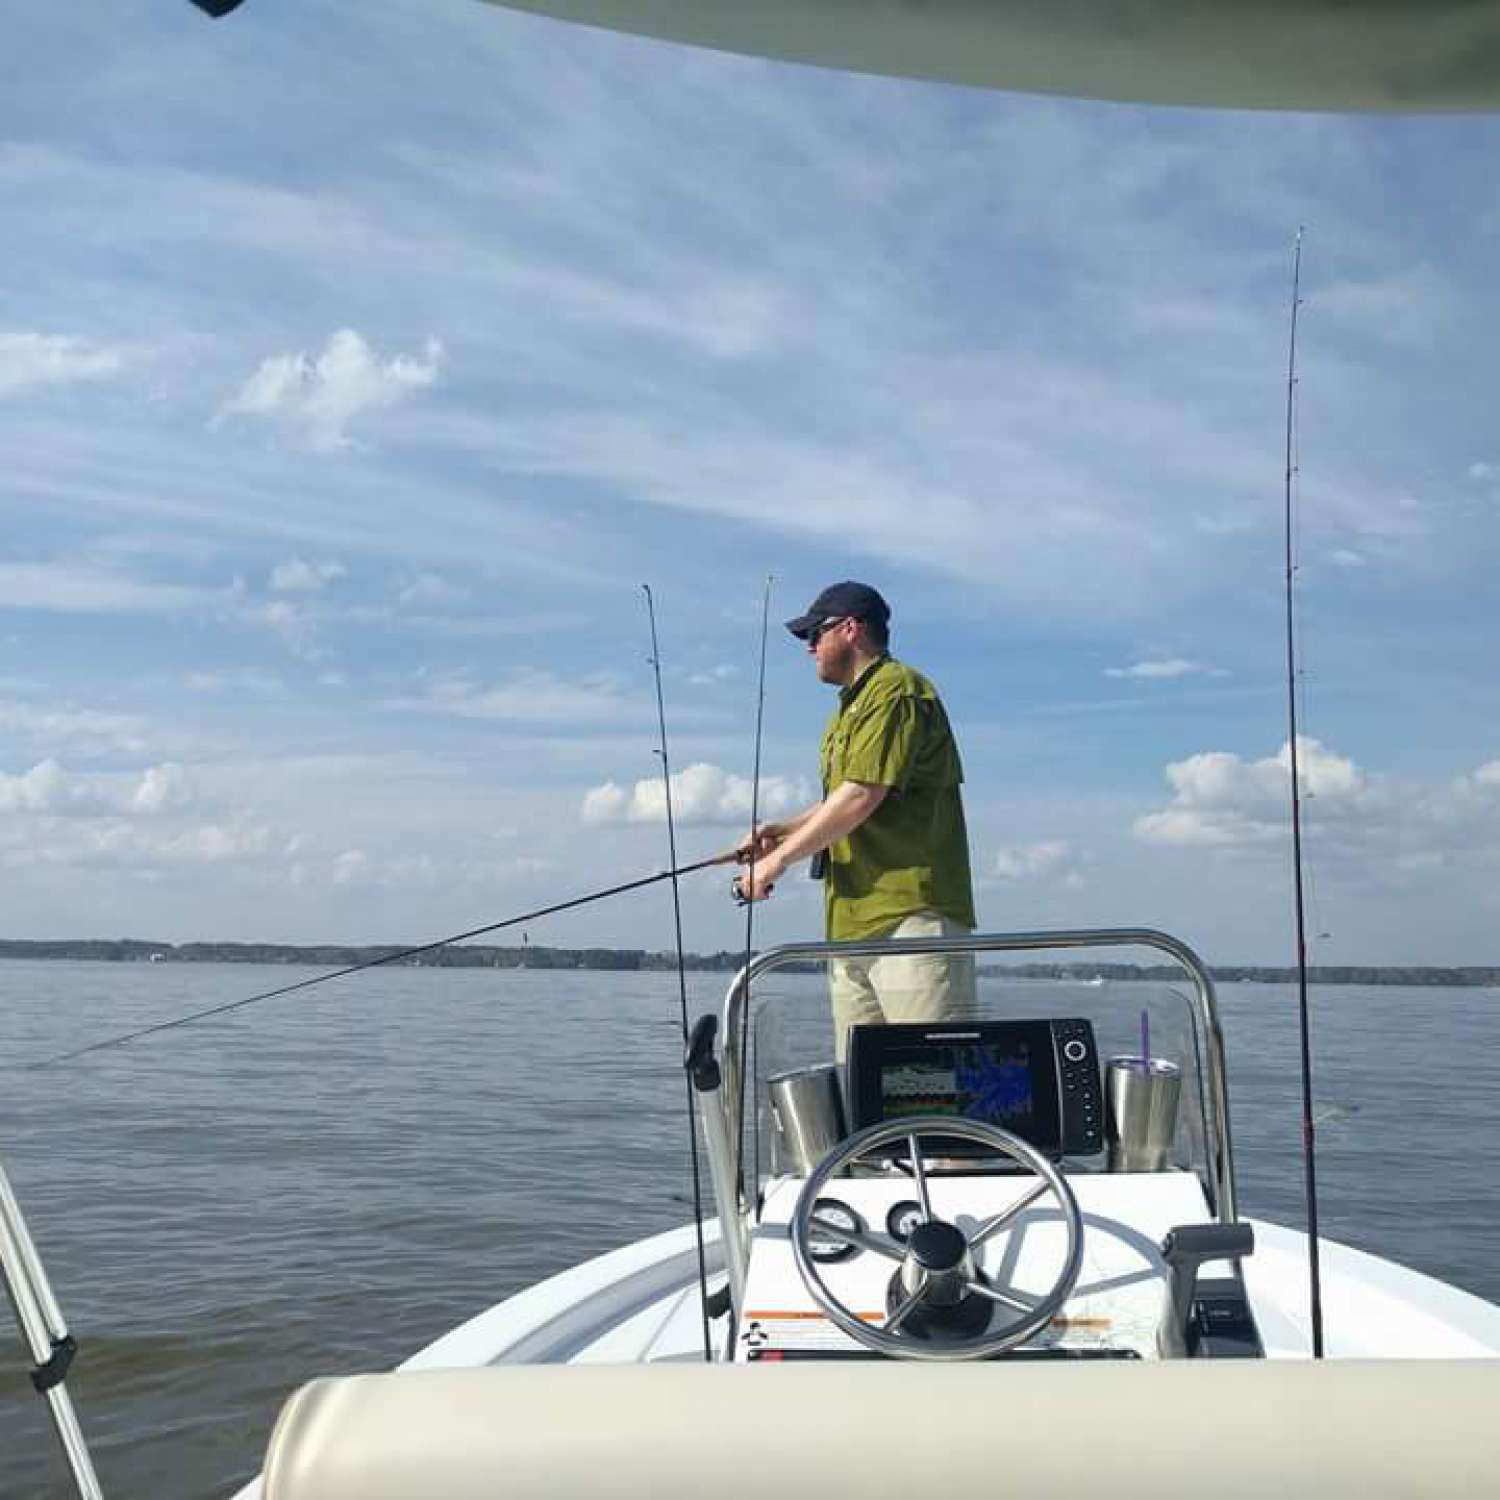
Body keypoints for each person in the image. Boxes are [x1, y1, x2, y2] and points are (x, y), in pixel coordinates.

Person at [738, 581, 977, 1061]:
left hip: (910, 919)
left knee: (929, 1083)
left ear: (850, 629)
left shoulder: (898, 690)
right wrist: (781, 830)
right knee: (864, 1084)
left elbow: (862, 795)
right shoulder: (848, 709)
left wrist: (774, 864)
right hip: (851, 927)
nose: (809, 647)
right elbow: (846, 794)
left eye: (814, 633)